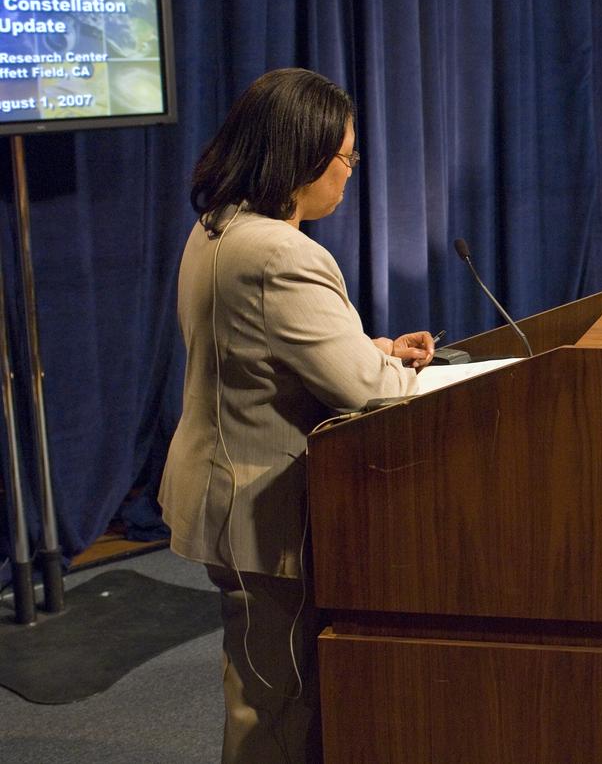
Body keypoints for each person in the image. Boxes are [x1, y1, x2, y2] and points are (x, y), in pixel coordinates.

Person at [159, 68, 436, 763]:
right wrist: (388, 368)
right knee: (274, 708)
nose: (349, 173)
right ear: (303, 156)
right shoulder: (281, 252)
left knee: (266, 689)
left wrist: (370, 348)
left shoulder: (219, 226)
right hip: (262, 509)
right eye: (346, 157)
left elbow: (257, 351)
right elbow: (373, 396)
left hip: (226, 487)